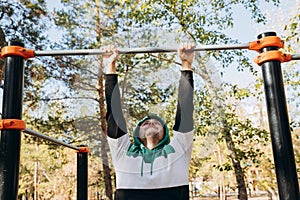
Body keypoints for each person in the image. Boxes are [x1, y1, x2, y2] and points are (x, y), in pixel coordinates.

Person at [103, 44, 195, 200]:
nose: (150, 122)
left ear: (166, 132)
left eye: (156, 122)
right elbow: (115, 115)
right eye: (145, 123)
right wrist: (110, 67)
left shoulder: (178, 150)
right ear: (136, 133)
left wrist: (186, 64)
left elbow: (185, 111)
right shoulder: (123, 153)